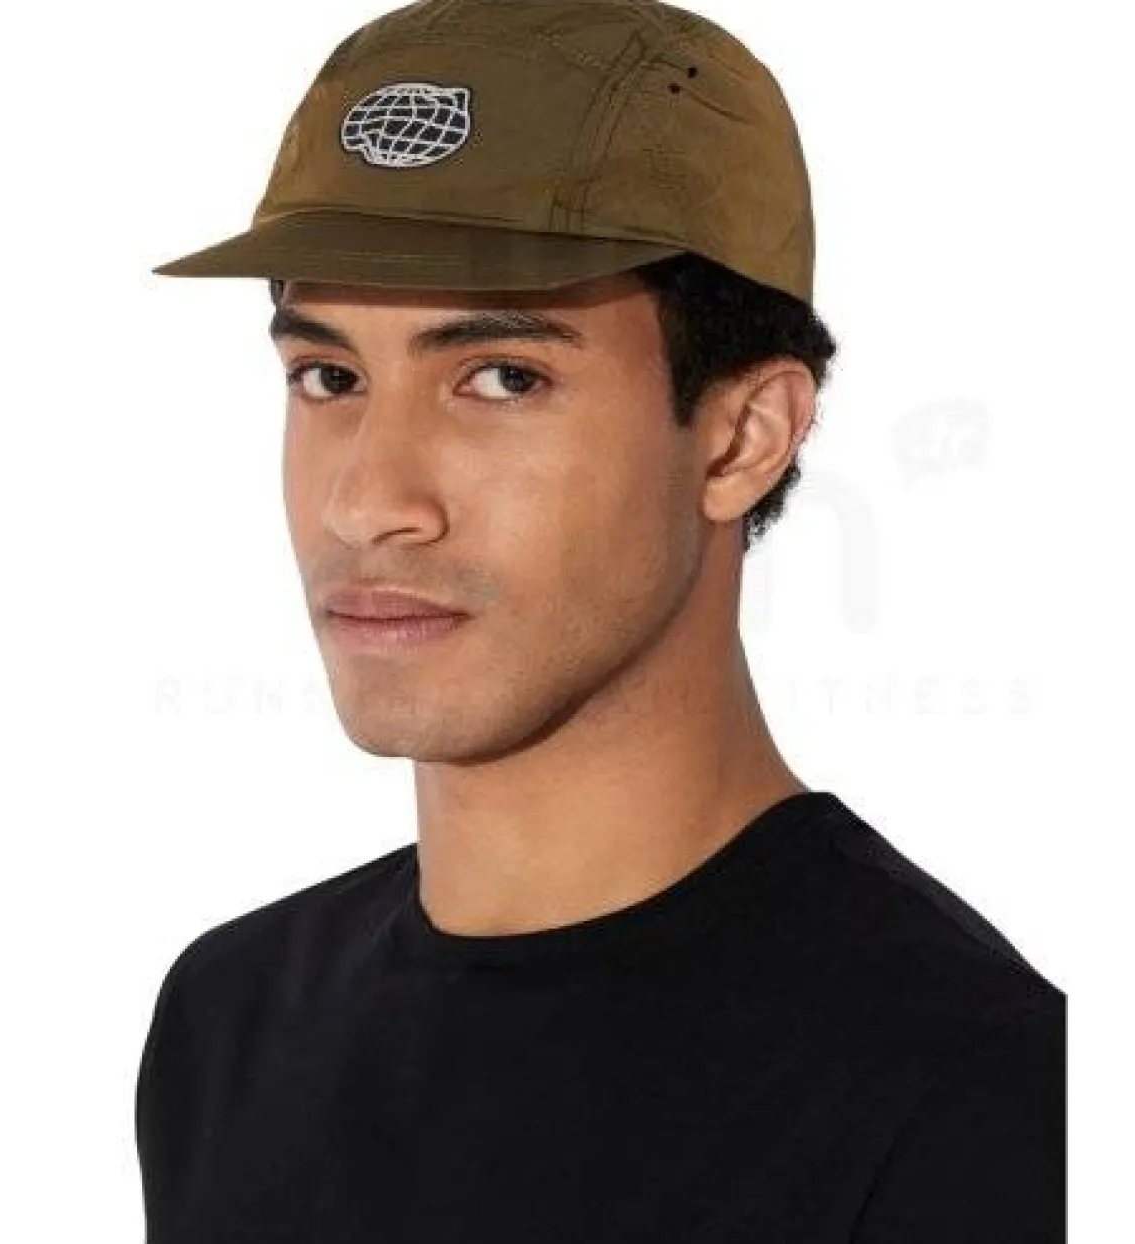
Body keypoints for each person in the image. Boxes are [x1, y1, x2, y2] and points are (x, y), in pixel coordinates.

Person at [138, 1, 1064, 1240]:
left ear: (740, 438)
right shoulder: (231, 1022)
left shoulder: (970, 1092)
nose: (367, 500)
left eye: (502, 377)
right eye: (329, 376)